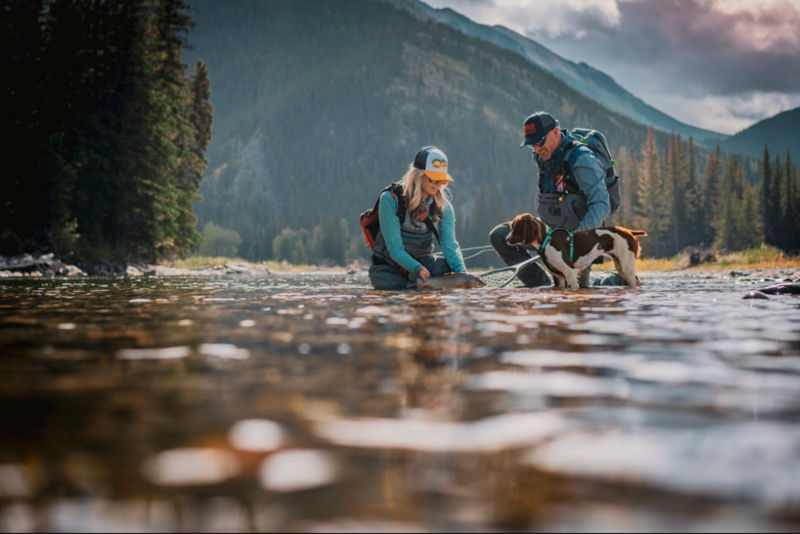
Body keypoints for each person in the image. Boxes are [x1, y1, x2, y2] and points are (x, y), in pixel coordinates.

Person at [489, 111, 614, 288]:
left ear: (555, 132)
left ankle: (613, 281)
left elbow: (601, 205)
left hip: (576, 239)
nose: (536, 149)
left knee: (576, 292)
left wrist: (575, 242)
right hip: (548, 232)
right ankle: (540, 283)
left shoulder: (582, 159)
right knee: (500, 236)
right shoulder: (542, 157)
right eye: (531, 144)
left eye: (539, 142)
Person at [369, 146, 467, 290]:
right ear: (418, 176)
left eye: (442, 180)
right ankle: (418, 284)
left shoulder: (444, 207)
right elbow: (394, 248)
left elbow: (450, 245)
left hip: (423, 264)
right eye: (434, 179)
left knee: (448, 266)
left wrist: (463, 276)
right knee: (395, 288)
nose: (438, 185)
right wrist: (418, 269)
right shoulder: (390, 199)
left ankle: (421, 284)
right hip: (389, 268)